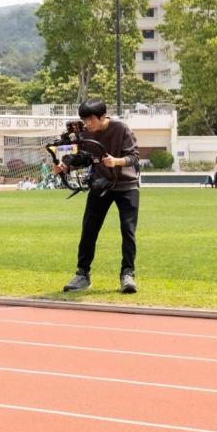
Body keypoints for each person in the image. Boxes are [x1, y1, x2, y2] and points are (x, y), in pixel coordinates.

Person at [56, 99, 141, 294]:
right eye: (84, 120)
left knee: (128, 231)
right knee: (89, 229)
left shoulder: (121, 129)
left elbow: (134, 157)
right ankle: (82, 274)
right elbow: (83, 158)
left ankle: (128, 274)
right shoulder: (85, 133)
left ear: (103, 116)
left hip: (126, 186)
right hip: (100, 185)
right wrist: (65, 165)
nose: (88, 124)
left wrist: (117, 161)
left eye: (91, 119)